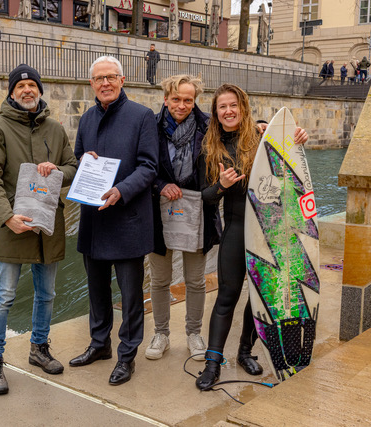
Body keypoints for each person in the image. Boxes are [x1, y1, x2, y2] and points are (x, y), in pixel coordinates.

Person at [195, 84, 308, 391]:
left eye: (233, 105)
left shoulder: (261, 137)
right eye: (222, 107)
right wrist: (221, 185)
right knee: (227, 297)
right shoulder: (210, 147)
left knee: (259, 295)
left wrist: (297, 141)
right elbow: (204, 197)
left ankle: (245, 351)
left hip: (267, 231)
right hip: (235, 229)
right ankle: (212, 363)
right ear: (216, 113)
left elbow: (291, 165)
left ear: (243, 108)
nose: (228, 111)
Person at [0, 64, 78, 395]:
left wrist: (57, 170)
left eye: (32, 84)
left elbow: (72, 167)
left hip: (48, 225)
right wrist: (7, 217)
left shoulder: (55, 129)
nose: (27, 89)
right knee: (4, 295)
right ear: (11, 92)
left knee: (46, 294)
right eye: (20, 85)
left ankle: (38, 349)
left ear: (40, 90)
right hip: (13, 224)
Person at [69, 56, 158, 386]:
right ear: (91, 84)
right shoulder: (87, 118)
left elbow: (150, 167)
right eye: (98, 79)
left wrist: (122, 189)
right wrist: (83, 161)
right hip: (93, 221)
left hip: (127, 220)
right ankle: (99, 344)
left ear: (122, 80)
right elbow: (78, 156)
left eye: (110, 77)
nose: (104, 83)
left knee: (131, 296)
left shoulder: (142, 116)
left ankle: (127, 356)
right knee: (96, 292)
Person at [144, 74, 221, 362]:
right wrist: (160, 184)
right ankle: (161, 333)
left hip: (198, 212)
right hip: (158, 210)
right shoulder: (149, 125)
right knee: (160, 279)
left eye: (188, 100)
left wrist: (264, 127)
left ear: (195, 100)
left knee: (196, 281)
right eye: (176, 99)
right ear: (166, 99)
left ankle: (193, 334)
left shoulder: (208, 126)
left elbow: (240, 132)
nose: (182, 105)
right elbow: (141, 165)